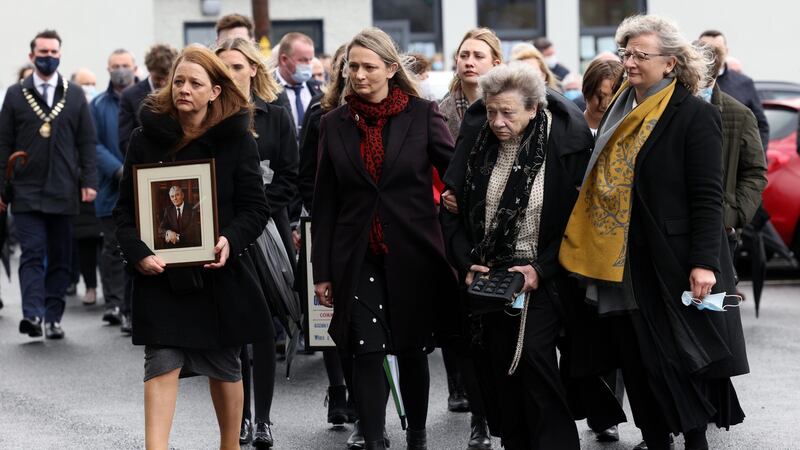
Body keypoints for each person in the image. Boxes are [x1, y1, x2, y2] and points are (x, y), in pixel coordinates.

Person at [559, 15, 748, 450]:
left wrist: (703, 264)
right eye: (626, 53)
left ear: (670, 64)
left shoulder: (693, 114)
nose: (629, 62)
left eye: (641, 55)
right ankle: (655, 438)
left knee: (677, 358)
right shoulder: (619, 107)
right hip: (617, 257)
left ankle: (696, 440)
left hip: (669, 260)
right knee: (634, 357)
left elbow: (706, 197)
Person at [114, 44, 271, 450]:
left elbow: (255, 208)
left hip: (219, 276)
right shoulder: (144, 139)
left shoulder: (238, 140)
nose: (184, 88)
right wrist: (138, 254)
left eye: (195, 83)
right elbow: (124, 214)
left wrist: (229, 240)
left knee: (225, 366)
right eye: (178, 81)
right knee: (161, 364)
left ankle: (230, 445)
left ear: (215, 91)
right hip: (162, 278)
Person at [312, 27, 457, 450]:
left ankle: (416, 434)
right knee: (366, 349)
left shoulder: (421, 113)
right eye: (352, 66)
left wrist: (457, 200)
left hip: (413, 250)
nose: (358, 74)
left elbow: (455, 170)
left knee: (412, 349)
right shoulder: (333, 124)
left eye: (369, 66)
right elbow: (324, 203)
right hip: (356, 255)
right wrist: (322, 272)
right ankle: (374, 439)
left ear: (391, 69)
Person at [439, 61, 592, 449]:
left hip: (543, 277)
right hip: (488, 278)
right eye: (491, 111)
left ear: (533, 109)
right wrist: (465, 262)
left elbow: (580, 225)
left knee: (536, 366)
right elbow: (451, 213)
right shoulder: (476, 148)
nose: (497, 121)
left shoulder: (562, 149)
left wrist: (540, 270)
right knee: (500, 377)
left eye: (508, 112)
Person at [216, 36, 298, 448]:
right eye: (223, 67)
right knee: (235, 328)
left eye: (236, 66)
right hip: (224, 231)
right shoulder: (209, 118)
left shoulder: (276, 116)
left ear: (252, 68)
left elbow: (290, 177)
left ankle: (262, 418)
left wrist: (256, 210)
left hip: (269, 228)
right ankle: (240, 418)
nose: (230, 74)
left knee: (265, 325)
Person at [0, 29, 97, 340]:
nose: (49, 57)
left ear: (60, 54)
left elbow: (87, 142)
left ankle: (53, 317)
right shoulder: (15, 95)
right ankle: (32, 315)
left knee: (60, 257)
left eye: (54, 52)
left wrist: (89, 181)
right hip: (26, 191)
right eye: (43, 52)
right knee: (31, 253)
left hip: (64, 189)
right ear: (31, 56)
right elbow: (2, 144)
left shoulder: (75, 95)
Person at [438, 26, 501, 450]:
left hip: (501, 226)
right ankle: (477, 410)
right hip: (453, 226)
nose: (469, 61)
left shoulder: (508, 105)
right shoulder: (441, 111)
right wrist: (444, 196)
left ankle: (500, 409)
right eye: (463, 54)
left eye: (478, 55)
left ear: (495, 62)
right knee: (462, 324)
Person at [697, 42, 767, 273]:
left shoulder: (738, 113)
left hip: (720, 227)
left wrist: (733, 216)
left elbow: (755, 173)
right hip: (676, 225)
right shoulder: (670, 108)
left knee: (716, 301)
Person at [92, 48, 138, 328]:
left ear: (135, 67)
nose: (121, 70)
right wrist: (119, 168)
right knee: (112, 247)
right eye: (116, 65)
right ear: (108, 69)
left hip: (143, 184)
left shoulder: (146, 99)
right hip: (111, 187)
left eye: (125, 65)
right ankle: (114, 304)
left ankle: (131, 307)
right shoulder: (97, 105)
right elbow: (92, 144)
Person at [699, 30, 769, 150]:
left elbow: (760, 125)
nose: (711, 54)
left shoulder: (743, 83)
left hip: (734, 157)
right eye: (706, 49)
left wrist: (754, 159)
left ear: (726, 52)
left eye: (717, 49)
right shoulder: (687, 82)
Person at [119, 44, 178, 155]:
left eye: (167, 78)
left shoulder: (180, 93)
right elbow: (125, 140)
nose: (162, 83)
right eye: (158, 78)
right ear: (149, 70)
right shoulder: (129, 96)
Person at [273, 32, 323, 138]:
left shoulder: (319, 89)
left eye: (310, 60)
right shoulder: (265, 88)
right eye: (302, 60)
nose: (308, 65)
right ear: (284, 60)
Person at [581, 58, 624, 134]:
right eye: (599, 96)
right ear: (587, 90)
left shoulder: (627, 133)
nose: (605, 105)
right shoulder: (569, 129)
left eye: (613, 98)